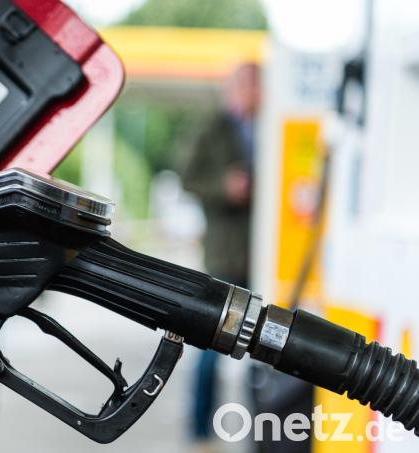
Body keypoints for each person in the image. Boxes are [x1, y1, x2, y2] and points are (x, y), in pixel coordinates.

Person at [181, 62, 260, 448]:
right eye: (247, 84)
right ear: (232, 88)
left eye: (257, 84)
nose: (254, 91)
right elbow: (189, 179)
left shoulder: (270, 127)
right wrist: (225, 187)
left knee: (266, 345)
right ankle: (200, 430)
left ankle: (261, 428)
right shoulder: (213, 129)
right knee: (213, 342)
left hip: (261, 255)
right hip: (226, 255)